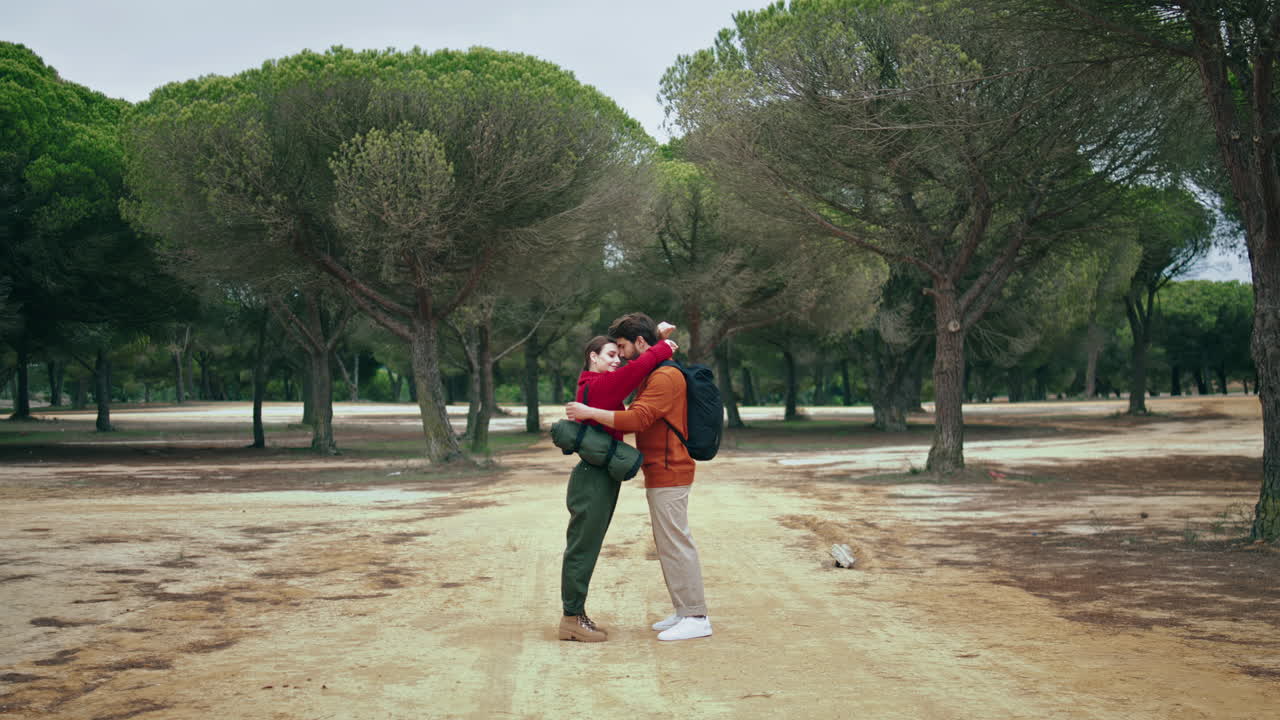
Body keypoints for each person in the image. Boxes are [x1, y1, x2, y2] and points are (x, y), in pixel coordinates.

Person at [565, 312, 711, 642]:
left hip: (671, 469)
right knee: (668, 543)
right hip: (660, 469)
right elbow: (637, 366)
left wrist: (588, 413)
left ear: (640, 344)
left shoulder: (664, 378)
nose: (619, 355)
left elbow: (639, 418)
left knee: (676, 543)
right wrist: (657, 338)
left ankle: (696, 615)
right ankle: (683, 609)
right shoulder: (653, 369)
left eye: (622, 347)